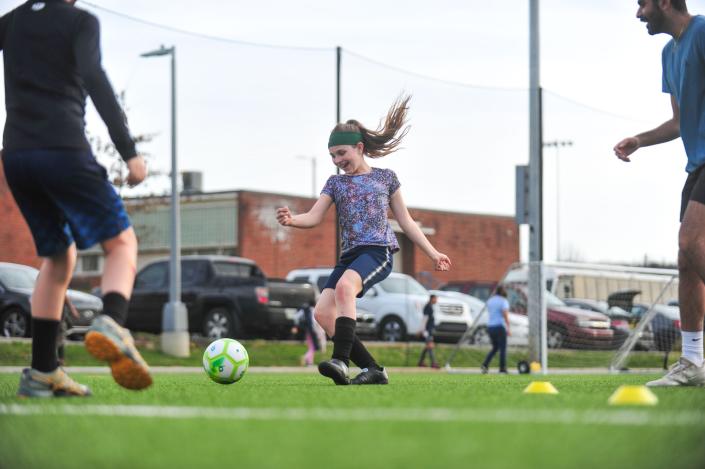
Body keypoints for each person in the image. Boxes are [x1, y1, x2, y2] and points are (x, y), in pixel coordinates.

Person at [0, 0, 152, 397]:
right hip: (62, 149)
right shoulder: (81, 21)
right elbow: (94, 76)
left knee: (58, 257)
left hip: (16, 156)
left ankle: (42, 372)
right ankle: (113, 322)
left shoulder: (11, 22)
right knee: (121, 243)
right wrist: (128, 151)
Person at [276, 95, 451, 385]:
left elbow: (406, 222)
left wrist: (433, 253)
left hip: (378, 251)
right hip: (350, 255)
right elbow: (314, 216)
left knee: (345, 287)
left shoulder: (386, 178)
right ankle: (374, 370)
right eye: (332, 156)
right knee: (322, 313)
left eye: (342, 153)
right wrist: (293, 220)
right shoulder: (336, 183)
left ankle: (341, 362)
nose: (337, 161)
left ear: (359, 148)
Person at [613, 0, 705, 386]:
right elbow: (680, 121)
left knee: (692, 241)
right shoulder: (669, 53)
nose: (638, 14)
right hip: (697, 164)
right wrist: (640, 139)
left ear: (666, 2)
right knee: (686, 259)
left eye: (643, 4)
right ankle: (693, 362)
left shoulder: (702, 32)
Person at [481, 286, 510, 374]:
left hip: (490, 327)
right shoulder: (503, 301)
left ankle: (485, 364)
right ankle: (502, 368)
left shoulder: (490, 301)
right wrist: (508, 327)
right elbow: (505, 314)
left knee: (495, 347)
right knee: (502, 348)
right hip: (499, 326)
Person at [417, 294, 440, 368]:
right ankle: (433, 363)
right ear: (432, 299)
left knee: (427, 347)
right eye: (435, 299)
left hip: (428, 330)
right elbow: (425, 319)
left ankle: (420, 362)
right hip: (427, 331)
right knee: (430, 346)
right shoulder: (428, 307)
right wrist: (421, 330)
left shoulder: (430, 307)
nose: (436, 300)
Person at [293, 302, 319, 366]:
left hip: (307, 330)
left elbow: (296, 317)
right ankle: (305, 357)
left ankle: (310, 363)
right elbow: (314, 322)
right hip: (312, 331)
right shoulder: (312, 310)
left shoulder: (305, 309)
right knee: (313, 347)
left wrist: (296, 326)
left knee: (311, 347)